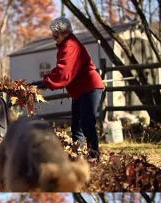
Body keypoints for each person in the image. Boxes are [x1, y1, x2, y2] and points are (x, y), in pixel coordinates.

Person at [31, 17, 105, 160]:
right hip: (80, 91)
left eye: (55, 35)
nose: (53, 38)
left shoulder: (71, 46)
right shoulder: (65, 46)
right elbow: (60, 68)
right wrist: (44, 80)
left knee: (86, 122)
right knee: (76, 125)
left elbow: (64, 72)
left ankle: (94, 154)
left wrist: (46, 83)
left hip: (90, 87)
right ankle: (78, 154)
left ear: (64, 33)